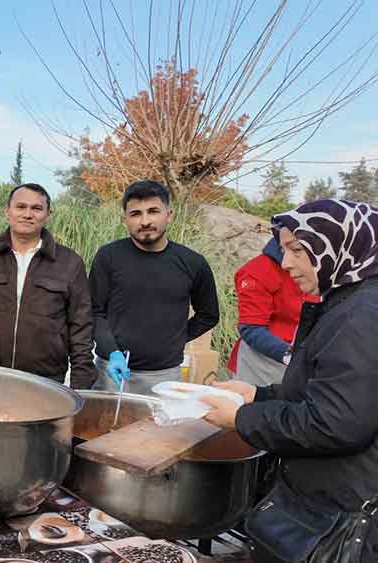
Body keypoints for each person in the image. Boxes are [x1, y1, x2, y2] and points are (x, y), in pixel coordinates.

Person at [202, 199, 378, 562]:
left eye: (297, 250)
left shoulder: (360, 316)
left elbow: (334, 424)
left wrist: (240, 418)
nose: (286, 263)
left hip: (342, 515)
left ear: (339, 244)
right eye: (284, 250)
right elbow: (330, 388)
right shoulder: (348, 302)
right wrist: (258, 395)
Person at [90, 180, 219, 394]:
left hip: (164, 376)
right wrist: (112, 351)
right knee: (105, 417)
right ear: (125, 220)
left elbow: (209, 315)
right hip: (111, 372)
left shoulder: (193, 263)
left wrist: (175, 340)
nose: (145, 221)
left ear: (169, 215)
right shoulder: (108, 257)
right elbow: (95, 311)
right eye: (135, 214)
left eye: (153, 211)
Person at [0, 183, 94, 388]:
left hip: (46, 381)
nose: (28, 214)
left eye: (36, 208)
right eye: (20, 207)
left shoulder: (69, 263)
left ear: (48, 215)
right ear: (7, 211)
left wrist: (81, 386)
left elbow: (81, 327)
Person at [226, 238, 319, 385]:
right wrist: (291, 355)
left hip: (307, 362)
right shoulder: (257, 271)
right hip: (260, 365)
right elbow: (251, 328)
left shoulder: (322, 268)